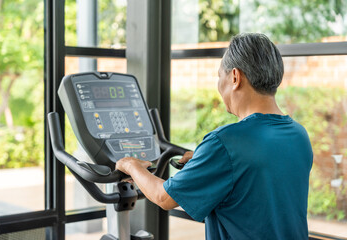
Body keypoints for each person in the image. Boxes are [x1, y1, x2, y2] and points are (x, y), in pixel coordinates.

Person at [116, 33, 313, 240]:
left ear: (235, 77)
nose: (219, 85)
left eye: (220, 76)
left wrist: (131, 165)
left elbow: (163, 197)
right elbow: (258, 179)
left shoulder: (225, 143)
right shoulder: (299, 134)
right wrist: (205, 161)